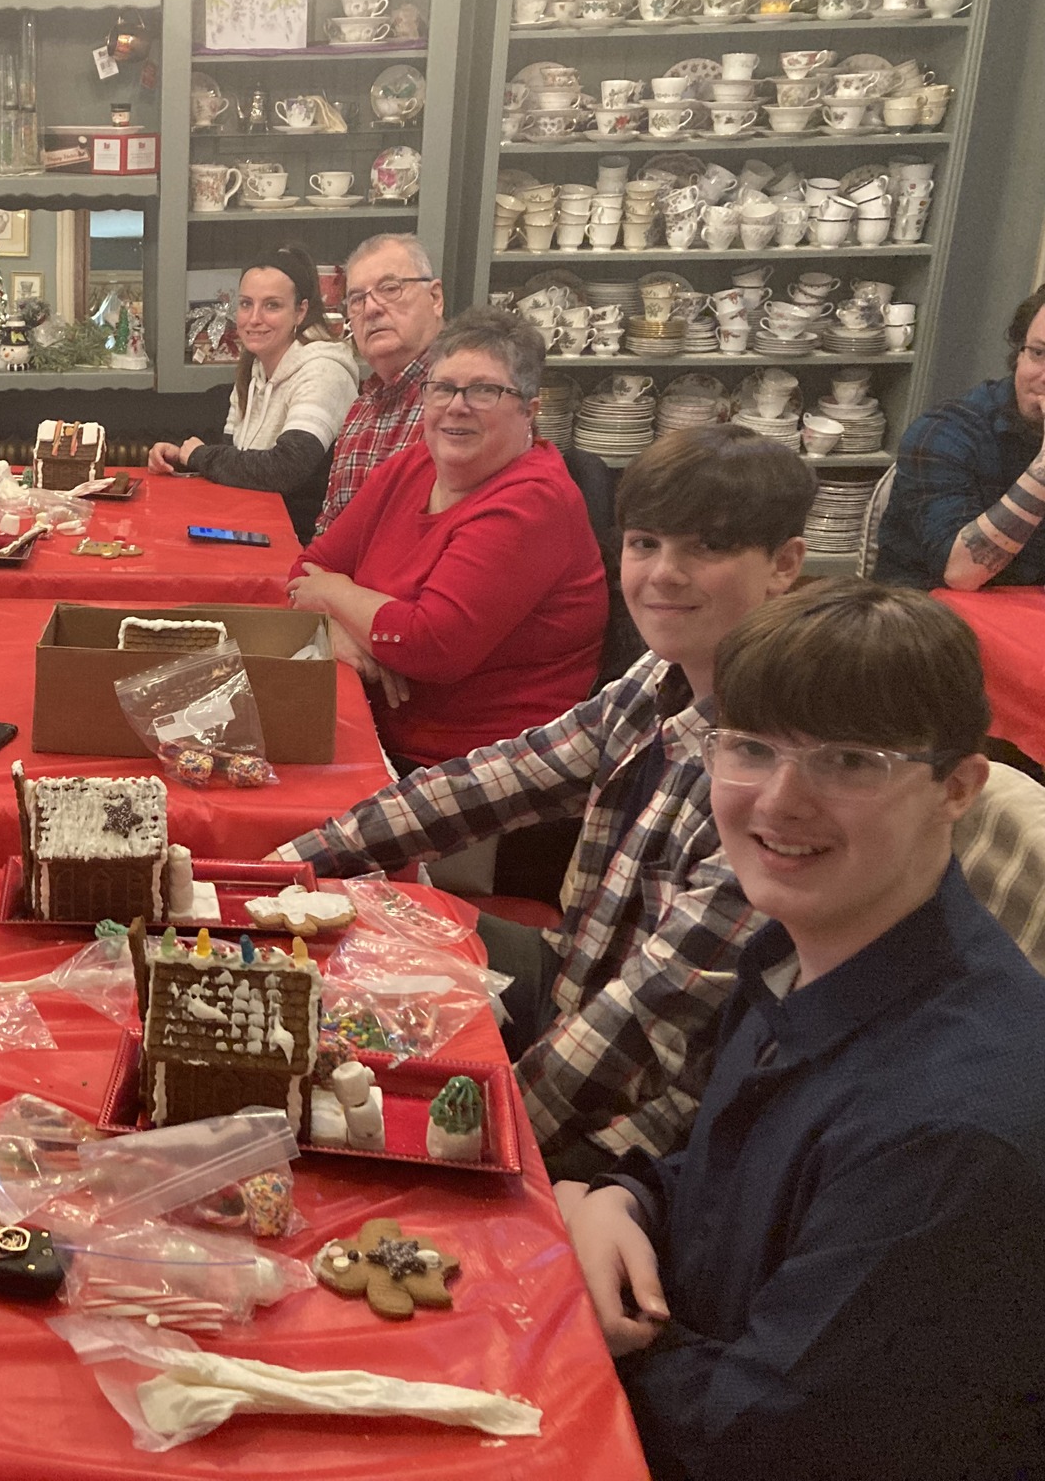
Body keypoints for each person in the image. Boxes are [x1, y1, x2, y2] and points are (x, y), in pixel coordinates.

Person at [561, 580, 1045, 1481]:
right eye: (750, 747)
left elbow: (760, 1435)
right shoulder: (804, 951)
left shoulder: (947, 1134)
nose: (779, 801)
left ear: (957, 788)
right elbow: (733, 1178)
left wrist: (590, 1326)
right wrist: (623, 1201)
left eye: (849, 761)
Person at [272, 425, 816, 1180]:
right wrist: (279, 873)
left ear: (784, 565)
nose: (665, 574)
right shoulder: (656, 680)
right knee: (355, 927)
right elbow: (488, 783)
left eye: (709, 548)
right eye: (646, 544)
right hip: (576, 982)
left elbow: (644, 1023)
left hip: (650, 1130)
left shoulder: (779, 771)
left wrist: (462, 1136)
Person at [285, 306, 606, 768]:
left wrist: (335, 593)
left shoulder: (534, 501)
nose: (457, 405)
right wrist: (336, 631)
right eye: (442, 388)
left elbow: (431, 646)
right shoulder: (413, 465)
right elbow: (306, 570)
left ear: (529, 412)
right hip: (377, 730)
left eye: (484, 390)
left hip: (479, 768)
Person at [146, 245, 360, 543]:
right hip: (252, 529)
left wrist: (200, 456)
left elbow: (287, 468)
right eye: (246, 304)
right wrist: (182, 458)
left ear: (300, 311)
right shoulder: (254, 367)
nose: (254, 318)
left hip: (300, 544)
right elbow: (235, 458)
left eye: (272, 305)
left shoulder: (325, 370)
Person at [876, 281, 1045, 590]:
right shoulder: (946, 431)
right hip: (930, 611)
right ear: (1019, 354)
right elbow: (961, 572)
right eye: (1039, 353)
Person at [315, 233, 444, 536]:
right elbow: (329, 528)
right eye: (357, 299)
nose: (371, 308)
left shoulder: (461, 401)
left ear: (435, 298)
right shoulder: (361, 409)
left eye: (389, 288)